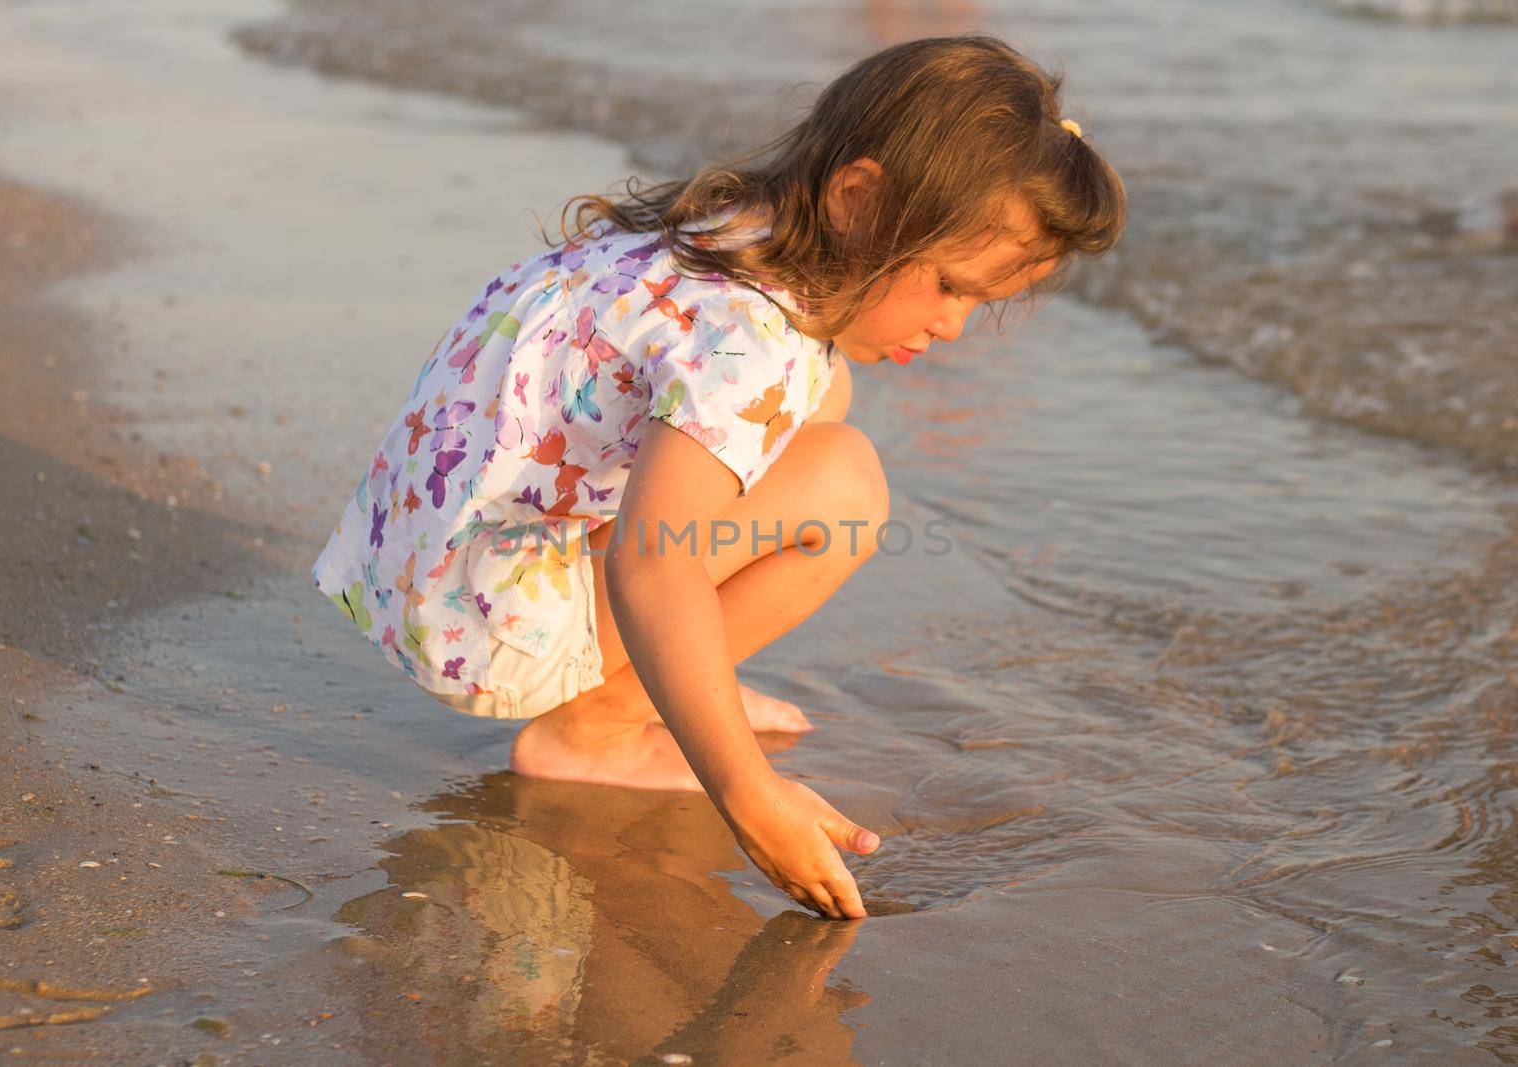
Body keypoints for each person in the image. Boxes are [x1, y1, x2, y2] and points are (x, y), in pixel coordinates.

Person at [313, 34, 1126, 920]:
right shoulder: (749, 348)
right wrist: (748, 794)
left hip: (420, 558)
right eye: (949, 286)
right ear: (858, 199)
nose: (955, 327)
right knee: (845, 486)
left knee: (828, 393)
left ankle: (659, 675)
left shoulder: (728, 230)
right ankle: (597, 727)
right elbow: (652, 564)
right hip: (490, 625)